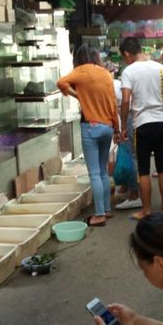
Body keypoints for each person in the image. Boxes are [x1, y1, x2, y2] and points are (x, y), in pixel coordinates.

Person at [119, 38, 163, 221]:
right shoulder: (161, 68)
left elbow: (125, 101)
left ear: (127, 54)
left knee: (144, 170)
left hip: (142, 125)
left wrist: (124, 126)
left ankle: (146, 210)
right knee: (162, 167)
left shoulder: (128, 71)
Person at [57, 45, 119, 227]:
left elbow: (61, 83)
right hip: (107, 127)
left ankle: (99, 214)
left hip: (90, 127)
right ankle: (107, 209)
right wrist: (116, 128)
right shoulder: (106, 74)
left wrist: (78, 96)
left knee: (94, 173)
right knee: (102, 171)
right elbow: (113, 104)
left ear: (79, 58)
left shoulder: (81, 71)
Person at [111, 72, 141, 210]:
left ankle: (134, 195)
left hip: (127, 117)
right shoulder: (114, 83)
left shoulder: (113, 84)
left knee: (130, 155)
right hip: (129, 117)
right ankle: (127, 187)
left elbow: (124, 103)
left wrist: (121, 128)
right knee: (129, 154)